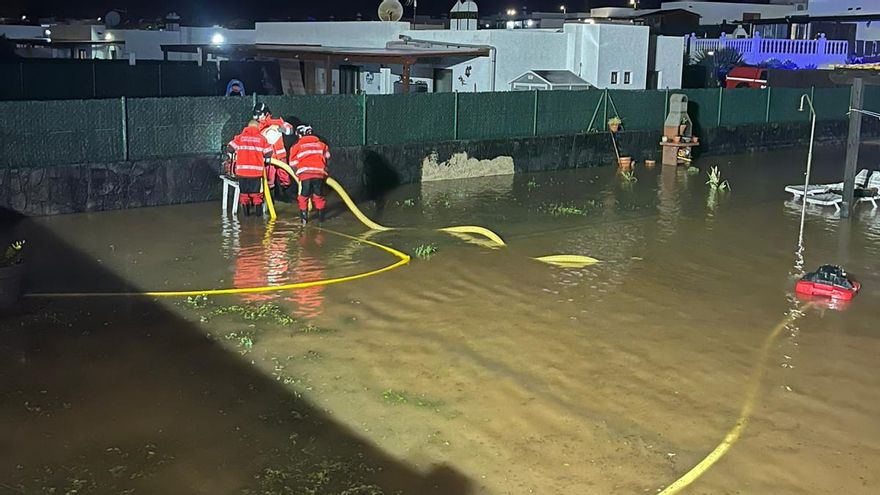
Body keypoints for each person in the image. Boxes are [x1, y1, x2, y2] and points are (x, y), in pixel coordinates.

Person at [227, 120, 273, 216]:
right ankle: (258, 219)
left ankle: (246, 217)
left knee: (244, 194)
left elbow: (230, 148)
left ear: (247, 127)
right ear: (257, 127)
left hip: (242, 173)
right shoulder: (261, 139)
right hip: (256, 173)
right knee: (257, 195)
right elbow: (269, 152)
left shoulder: (240, 137)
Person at [289, 124, 331, 225]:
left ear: (299, 135)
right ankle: (321, 220)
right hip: (319, 174)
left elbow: (292, 163)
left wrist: (297, 172)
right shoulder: (321, 144)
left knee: (303, 196)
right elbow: (328, 156)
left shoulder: (297, 146)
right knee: (318, 196)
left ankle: (304, 221)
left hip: (305, 175)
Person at [253, 103, 294, 196]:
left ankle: (286, 195)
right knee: (268, 179)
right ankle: (270, 200)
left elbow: (290, 130)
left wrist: (281, 128)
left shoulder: (278, 122)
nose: (257, 117)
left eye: (260, 114)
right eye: (255, 115)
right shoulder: (257, 127)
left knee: (285, 177)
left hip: (280, 156)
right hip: (267, 157)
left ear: (266, 114)